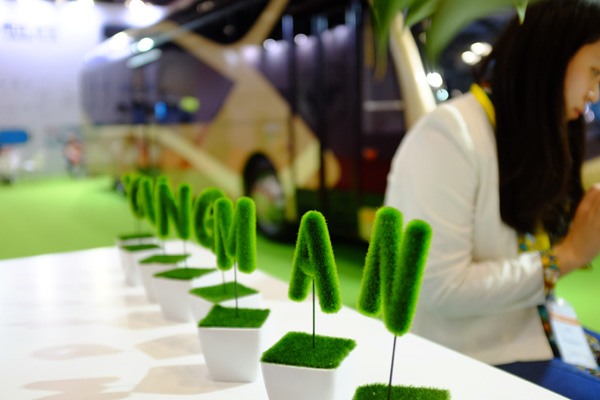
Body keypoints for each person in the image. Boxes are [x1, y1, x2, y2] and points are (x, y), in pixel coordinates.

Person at [384, 0, 600, 398]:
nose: (593, 93)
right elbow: (441, 288)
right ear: (552, 55)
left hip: (526, 331)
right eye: (595, 71)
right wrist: (565, 256)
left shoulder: (521, 132)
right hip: (464, 355)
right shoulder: (449, 134)